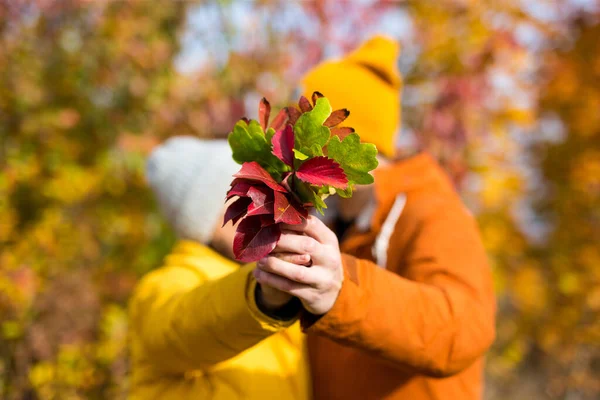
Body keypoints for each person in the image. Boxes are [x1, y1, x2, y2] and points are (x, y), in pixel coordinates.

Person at [253, 36, 497, 399]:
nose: (295, 157)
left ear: (346, 145)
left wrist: (342, 293)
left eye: (306, 139)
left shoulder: (432, 211)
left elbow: (462, 329)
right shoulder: (330, 224)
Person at [128, 137, 310, 400]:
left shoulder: (277, 280)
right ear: (206, 219)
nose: (265, 208)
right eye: (243, 199)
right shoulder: (165, 284)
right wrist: (263, 297)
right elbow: (183, 327)